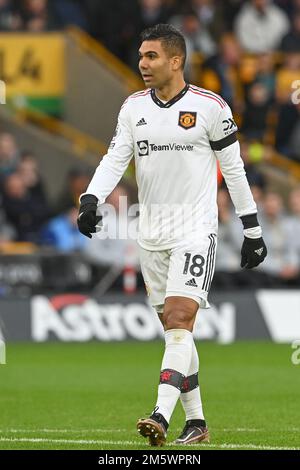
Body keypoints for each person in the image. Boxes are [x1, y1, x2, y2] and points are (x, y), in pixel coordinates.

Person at [77, 24, 267, 446]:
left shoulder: (211, 108)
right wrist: (91, 198)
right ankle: (196, 423)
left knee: (181, 319)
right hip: (152, 237)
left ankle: (160, 413)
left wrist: (251, 228)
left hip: (195, 233)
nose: (142, 64)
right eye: (141, 56)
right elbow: (114, 157)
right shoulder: (133, 108)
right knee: (176, 332)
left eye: (151, 57)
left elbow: (234, 170)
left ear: (176, 60)